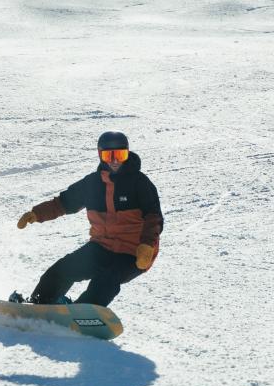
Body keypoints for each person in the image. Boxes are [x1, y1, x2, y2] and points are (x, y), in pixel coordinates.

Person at [13, 131, 164, 307]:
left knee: (107, 278)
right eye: (109, 155)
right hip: (101, 247)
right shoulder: (92, 184)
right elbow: (63, 203)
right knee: (63, 269)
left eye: (121, 155)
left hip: (134, 253)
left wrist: (146, 246)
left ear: (127, 153)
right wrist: (37, 213)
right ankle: (40, 304)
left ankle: (83, 311)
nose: (115, 161)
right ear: (100, 155)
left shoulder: (140, 183)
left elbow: (154, 218)